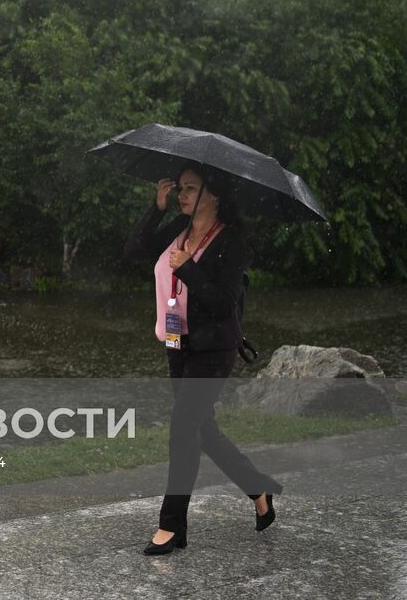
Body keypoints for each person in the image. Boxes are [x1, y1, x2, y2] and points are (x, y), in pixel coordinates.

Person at [124, 162, 282, 555]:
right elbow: (134, 251)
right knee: (203, 431)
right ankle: (258, 487)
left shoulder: (233, 242)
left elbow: (222, 302)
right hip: (178, 343)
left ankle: (171, 526)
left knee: (182, 429)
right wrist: (156, 208)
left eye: (190, 189)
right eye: (180, 187)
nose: (182, 194)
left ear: (214, 196)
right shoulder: (177, 231)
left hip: (214, 350)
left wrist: (188, 268)